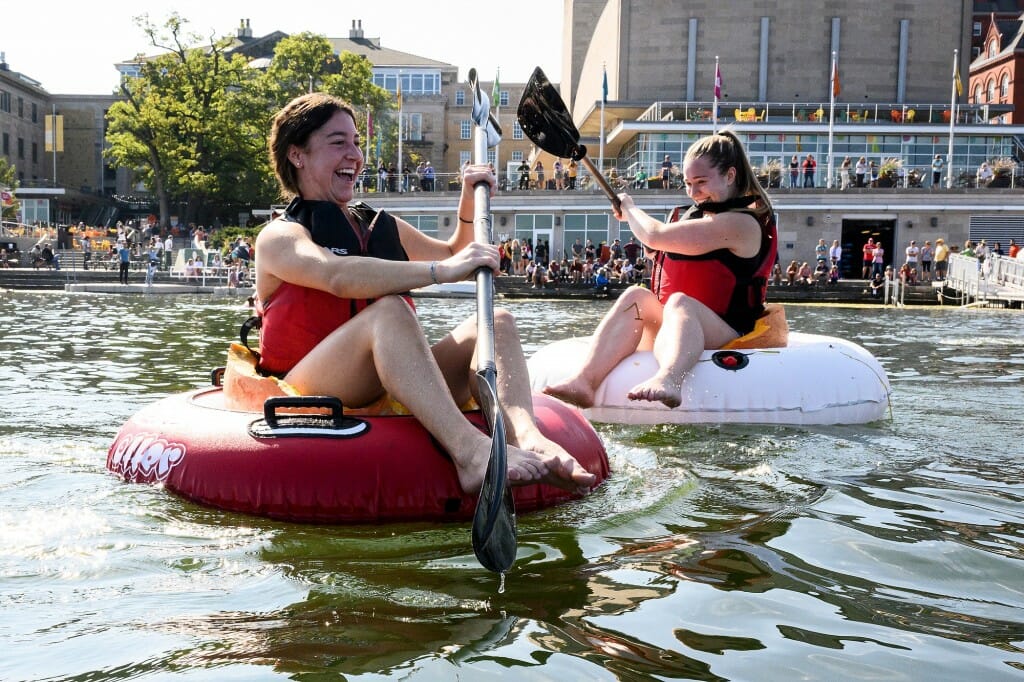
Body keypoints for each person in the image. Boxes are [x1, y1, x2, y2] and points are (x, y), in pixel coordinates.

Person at [253, 92, 594, 496]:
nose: (355, 154)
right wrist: (439, 273)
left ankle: (526, 436)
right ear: (297, 155)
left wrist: (469, 196)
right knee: (390, 311)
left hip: (390, 382)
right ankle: (469, 452)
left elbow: (453, 250)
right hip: (311, 385)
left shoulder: (377, 225)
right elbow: (337, 276)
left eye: (357, 142)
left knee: (496, 323)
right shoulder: (280, 236)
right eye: (338, 142)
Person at [543, 129, 776, 409]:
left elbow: (654, 234)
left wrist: (629, 208)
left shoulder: (742, 224)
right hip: (679, 326)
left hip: (727, 329)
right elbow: (663, 249)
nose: (693, 193)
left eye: (701, 182)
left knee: (680, 303)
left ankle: (668, 378)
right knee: (636, 296)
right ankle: (585, 381)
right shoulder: (698, 217)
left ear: (730, 175)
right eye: (688, 183)